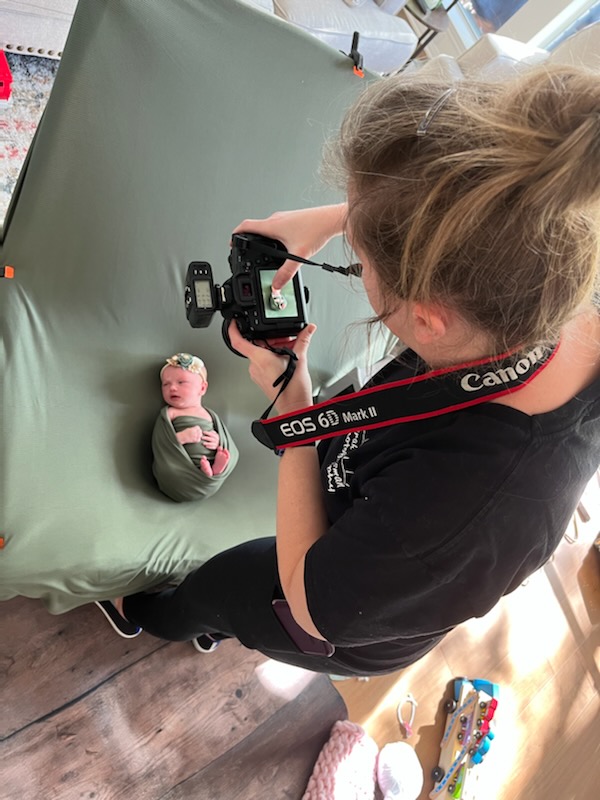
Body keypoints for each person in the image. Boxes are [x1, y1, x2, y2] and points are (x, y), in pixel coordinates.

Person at [111, 64, 600, 674]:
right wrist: (348, 216)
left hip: (340, 615)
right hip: (370, 510)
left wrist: (297, 411)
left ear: (429, 318)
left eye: (357, 262)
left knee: (223, 590)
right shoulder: (542, 278)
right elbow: (477, 201)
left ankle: (144, 615)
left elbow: (307, 600)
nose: (353, 258)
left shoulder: (470, 517)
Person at [151, 353, 239, 502]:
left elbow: (225, 438)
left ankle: (214, 470)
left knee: (227, 454)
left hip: (208, 460)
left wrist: (217, 441)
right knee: (171, 470)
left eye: (181, 382)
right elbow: (161, 443)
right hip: (180, 465)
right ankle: (205, 472)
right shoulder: (170, 413)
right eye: (166, 384)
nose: (172, 388)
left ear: (202, 388)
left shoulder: (209, 415)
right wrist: (182, 438)